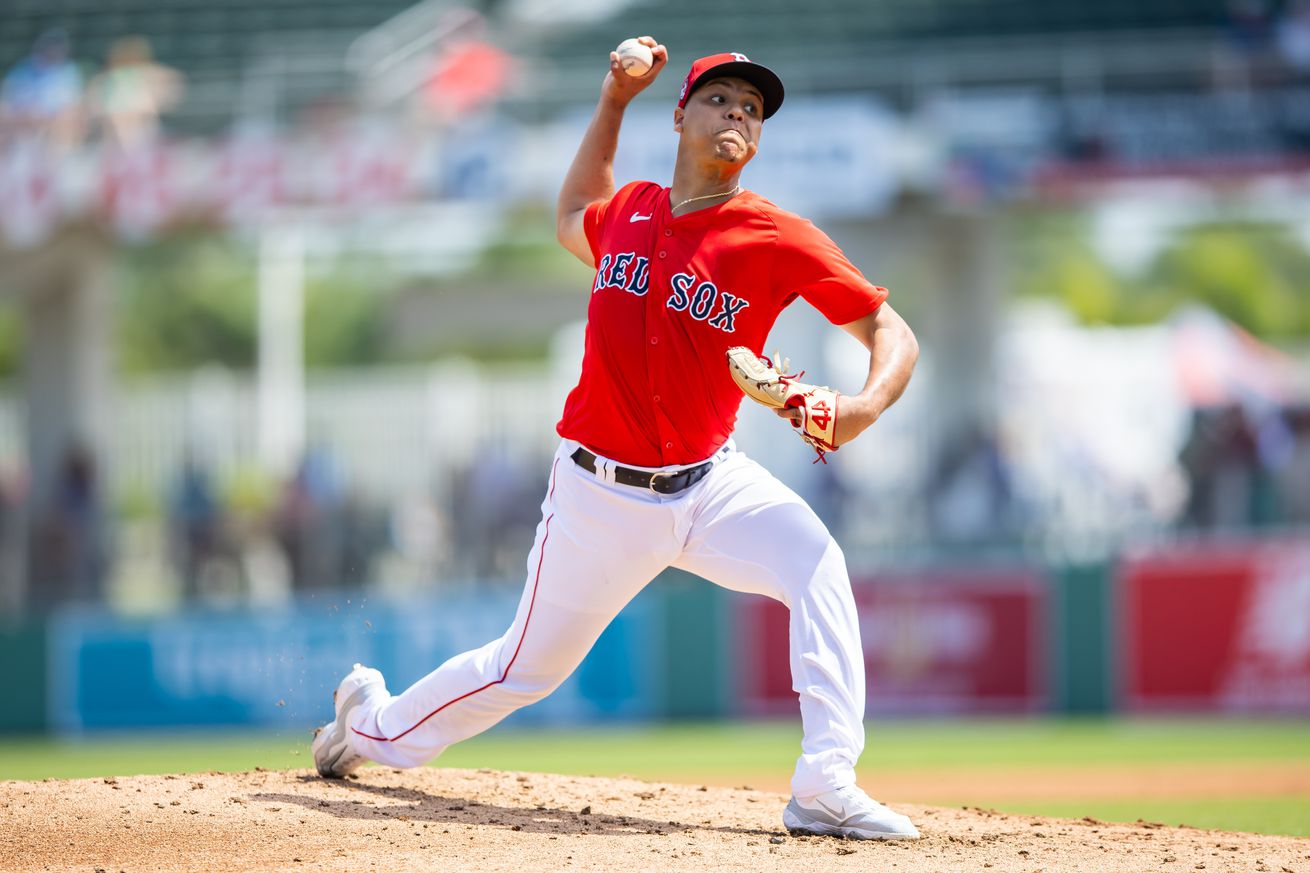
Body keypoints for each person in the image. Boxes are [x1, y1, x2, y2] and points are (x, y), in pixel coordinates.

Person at [313, 38, 921, 841]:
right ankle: (370, 723)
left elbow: (889, 325)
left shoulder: (775, 237)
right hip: (599, 494)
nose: (737, 114)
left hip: (710, 482)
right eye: (719, 99)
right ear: (681, 115)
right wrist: (611, 99)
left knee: (818, 564)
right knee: (521, 670)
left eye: (751, 108)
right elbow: (571, 215)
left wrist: (863, 406)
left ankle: (825, 782)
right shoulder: (630, 211)